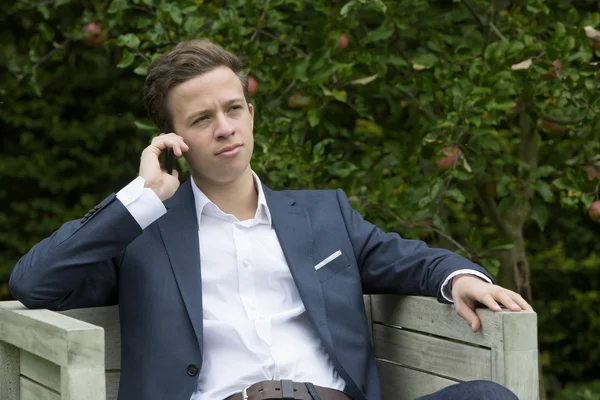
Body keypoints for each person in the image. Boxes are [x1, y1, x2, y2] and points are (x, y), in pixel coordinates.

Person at [9, 39, 531, 400]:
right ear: (174, 140)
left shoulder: (326, 214)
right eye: (201, 119)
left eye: (233, 109)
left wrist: (457, 277)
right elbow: (35, 283)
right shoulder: (143, 236)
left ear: (252, 115)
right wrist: (141, 198)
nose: (225, 128)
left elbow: (411, 260)